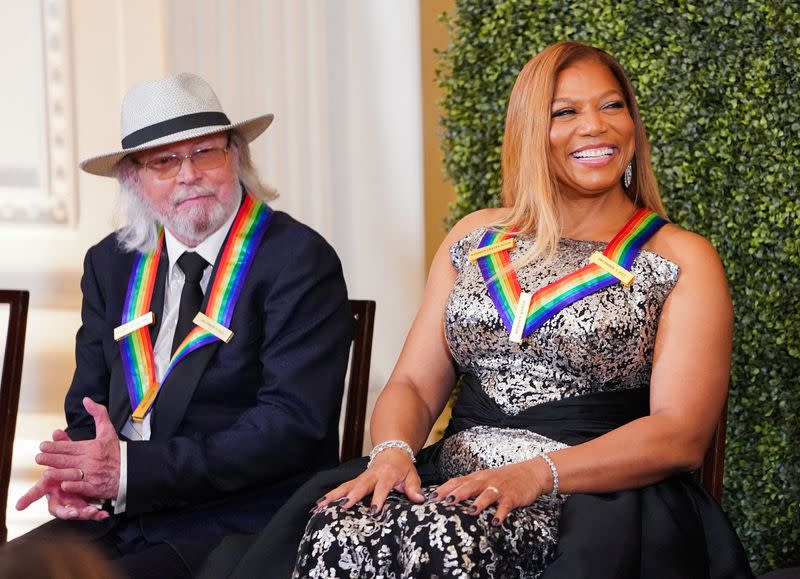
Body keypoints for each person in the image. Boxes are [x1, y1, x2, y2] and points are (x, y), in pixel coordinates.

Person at [225, 41, 753, 578]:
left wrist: (537, 474)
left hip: (594, 496)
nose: (595, 126)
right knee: (342, 527)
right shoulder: (474, 237)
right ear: (528, 132)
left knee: (447, 540)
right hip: (452, 479)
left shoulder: (681, 256)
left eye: (611, 106)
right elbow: (411, 381)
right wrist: (390, 451)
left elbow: (680, 435)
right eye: (565, 111)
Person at [12, 73, 354, 578]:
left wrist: (129, 471)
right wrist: (80, 476)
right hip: (116, 517)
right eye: (164, 161)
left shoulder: (298, 259)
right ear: (134, 179)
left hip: (234, 523)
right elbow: (87, 405)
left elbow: (290, 426)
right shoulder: (110, 264)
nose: (188, 174)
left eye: (205, 152)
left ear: (236, 156)